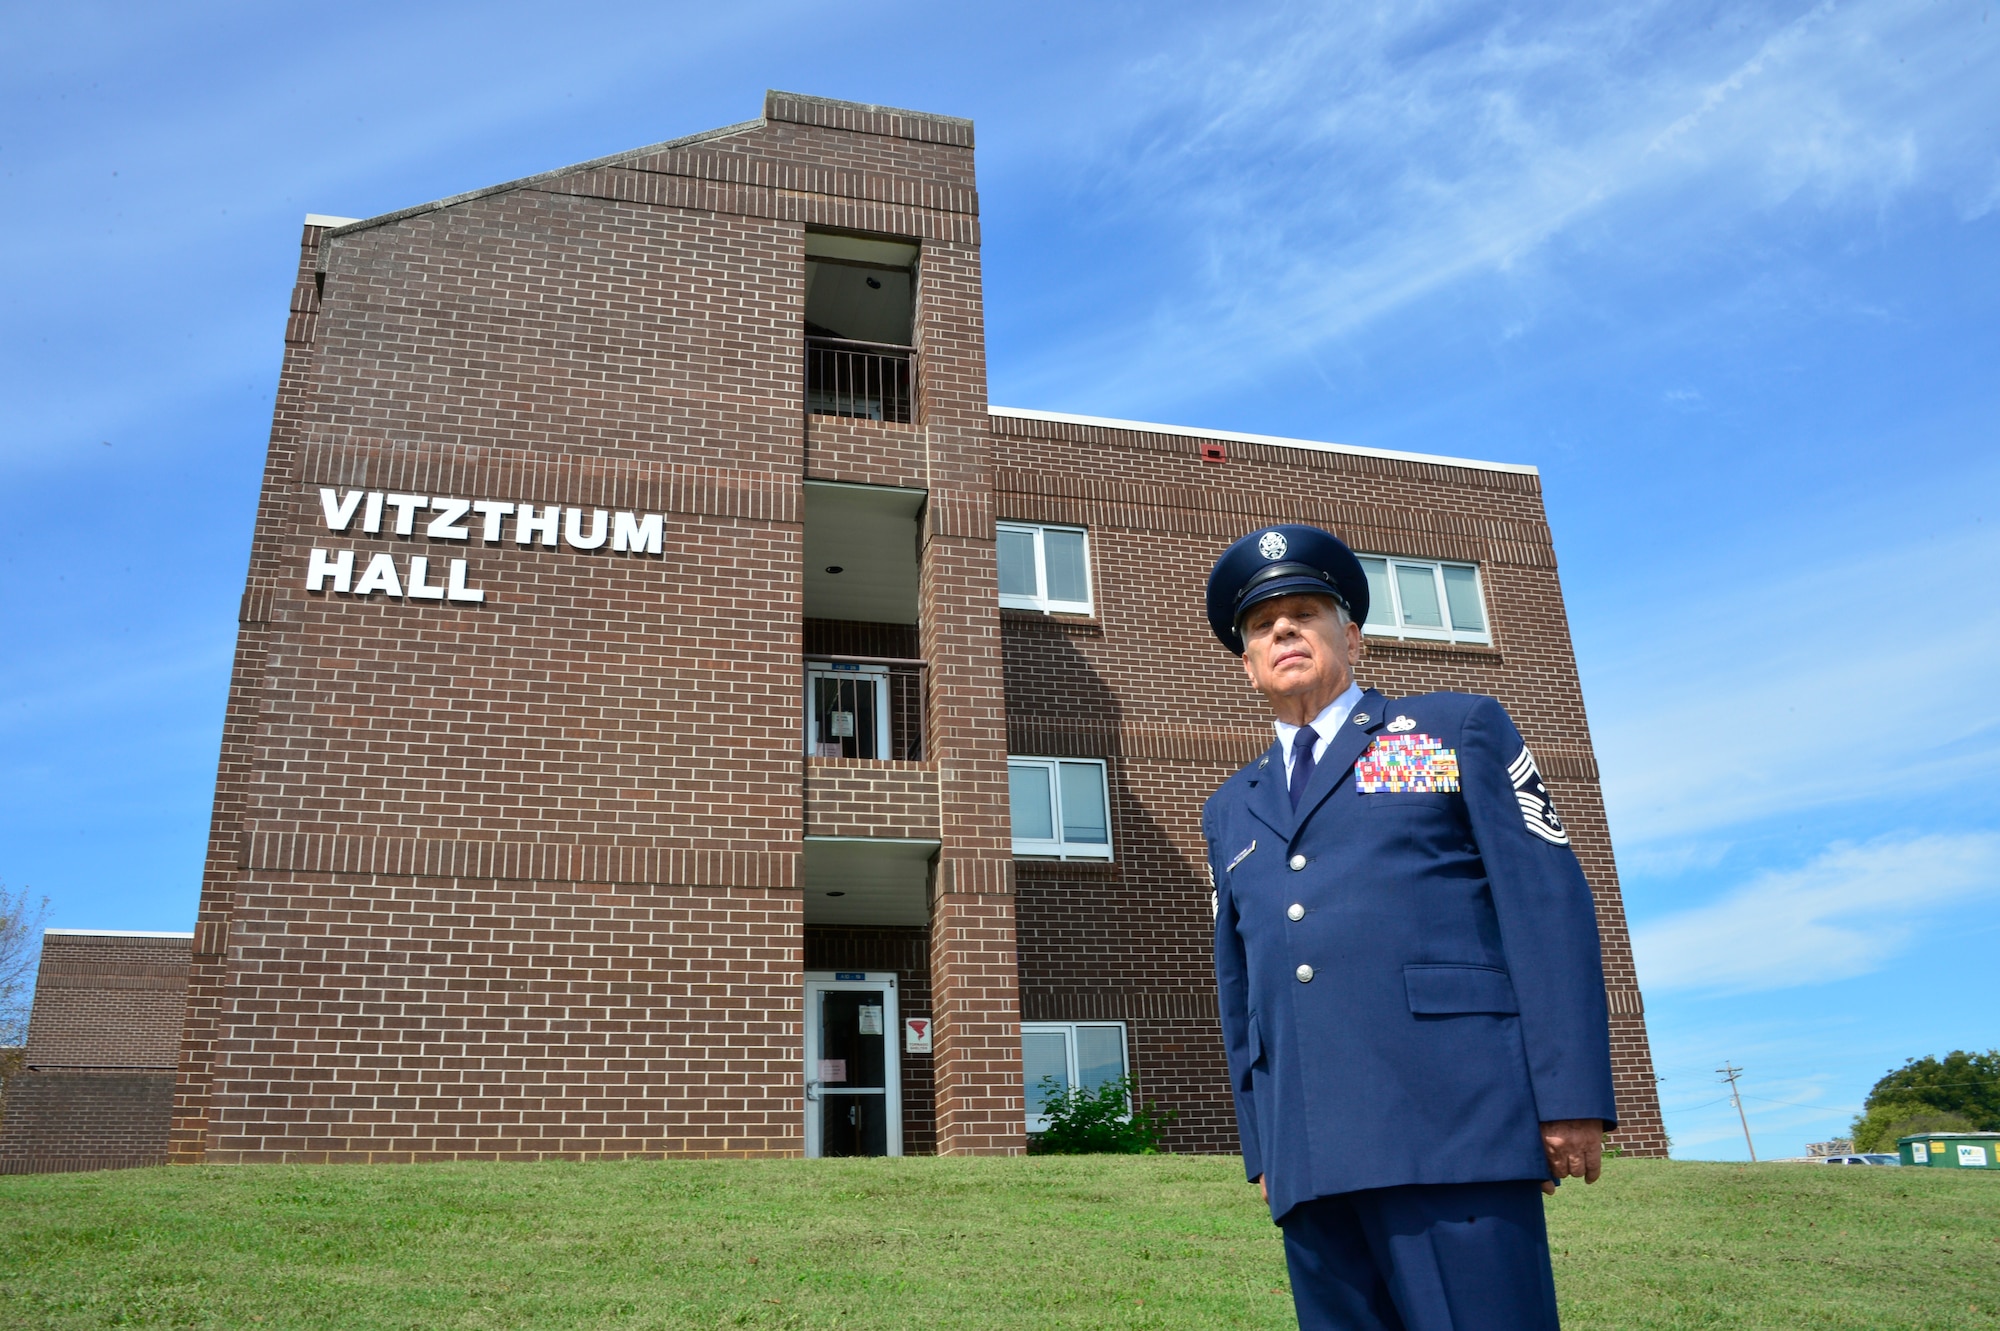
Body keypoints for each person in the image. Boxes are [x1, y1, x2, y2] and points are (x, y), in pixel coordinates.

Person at [1203, 524, 1616, 1331]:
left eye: (1304, 611)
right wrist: (1265, 1145)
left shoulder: (1444, 733)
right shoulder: (1231, 808)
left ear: (1350, 634)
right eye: (1261, 624)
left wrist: (1569, 1097)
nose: (1282, 629)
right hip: (1311, 1160)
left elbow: (1546, 906)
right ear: (1246, 662)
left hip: (1453, 1128)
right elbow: (1239, 983)